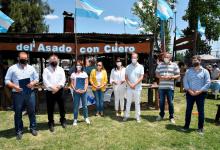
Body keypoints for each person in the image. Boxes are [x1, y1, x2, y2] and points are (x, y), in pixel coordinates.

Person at [4, 52, 39, 140]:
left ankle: (33, 128)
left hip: (30, 93)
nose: (24, 60)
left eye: (25, 58)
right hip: (17, 94)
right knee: (18, 113)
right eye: (22, 58)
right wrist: (15, 86)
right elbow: (7, 80)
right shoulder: (12, 68)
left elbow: (37, 78)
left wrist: (32, 83)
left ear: (27, 58)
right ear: (18, 58)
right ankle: (19, 131)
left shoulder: (31, 68)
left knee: (32, 111)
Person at [183, 55, 211, 134]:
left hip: (201, 94)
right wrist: (189, 90)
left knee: (201, 111)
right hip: (190, 93)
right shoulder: (188, 71)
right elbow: (185, 81)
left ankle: (200, 128)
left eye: (195, 60)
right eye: (193, 60)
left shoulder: (205, 71)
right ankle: (186, 126)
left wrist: (200, 91)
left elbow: (208, 82)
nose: (194, 62)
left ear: (200, 61)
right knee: (188, 110)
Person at [43, 54, 67, 132]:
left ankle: (62, 120)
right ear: (49, 61)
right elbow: (45, 81)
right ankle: (51, 122)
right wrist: (53, 88)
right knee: (50, 108)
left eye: (55, 60)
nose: (54, 61)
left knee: (62, 107)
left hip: (60, 91)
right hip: (50, 92)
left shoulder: (61, 69)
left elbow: (63, 80)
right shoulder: (46, 70)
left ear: (58, 61)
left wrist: (57, 88)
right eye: (52, 60)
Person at [155, 53, 180, 124]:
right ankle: (161, 115)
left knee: (171, 102)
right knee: (161, 102)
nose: (166, 58)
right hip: (162, 87)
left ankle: (171, 116)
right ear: (163, 58)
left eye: (167, 57)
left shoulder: (174, 65)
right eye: (164, 57)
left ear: (170, 58)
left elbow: (178, 75)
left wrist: (171, 77)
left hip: (170, 87)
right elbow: (157, 74)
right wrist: (161, 77)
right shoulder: (160, 65)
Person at [123, 52, 144, 123]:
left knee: (137, 103)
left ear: (137, 58)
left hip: (137, 88)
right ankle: (126, 116)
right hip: (129, 88)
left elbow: (141, 77)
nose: (133, 59)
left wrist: (134, 84)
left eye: (135, 58)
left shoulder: (141, 67)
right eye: (132, 58)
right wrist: (130, 85)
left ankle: (137, 117)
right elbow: (126, 77)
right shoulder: (128, 67)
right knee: (128, 102)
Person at [71, 60, 90, 126]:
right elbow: (72, 84)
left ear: (82, 66)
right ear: (75, 66)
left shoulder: (84, 73)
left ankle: (86, 117)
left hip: (84, 92)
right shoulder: (73, 74)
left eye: (79, 65)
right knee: (76, 106)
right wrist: (75, 90)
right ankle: (75, 119)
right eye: (77, 65)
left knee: (85, 105)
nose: (78, 66)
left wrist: (84, 89)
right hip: (76, 92)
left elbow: (86, 82)